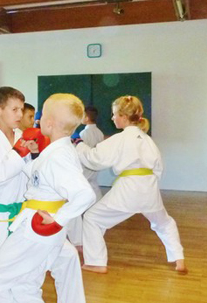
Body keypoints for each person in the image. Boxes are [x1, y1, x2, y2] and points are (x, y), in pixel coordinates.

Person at [0, 94, 96, 303]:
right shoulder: (57, 150)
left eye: (42, 114)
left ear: (50, 123)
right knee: (25, 286)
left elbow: (85, 194)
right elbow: (39, 175)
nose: (37, 118)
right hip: (41, 228)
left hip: (37, 227)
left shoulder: (59, 157)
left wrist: (58, 219)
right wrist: (32, 154)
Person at [76, 95, 186, 274]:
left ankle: (96, 262)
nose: (112, 118)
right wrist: (148, 186)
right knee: (164, 222)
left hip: (128, 188)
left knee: (92, 218)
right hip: (149, 188)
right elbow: (159, 168)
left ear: (124, 116)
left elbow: (95, 159)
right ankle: (178, 258)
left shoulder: (121, 138)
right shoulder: (147, 140)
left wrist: (79, 145)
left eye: (114, 114)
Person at [68, 105, 105, 247]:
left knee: (79, 200)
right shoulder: (99, 133)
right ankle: (96, 228)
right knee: (95, 196)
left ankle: (81, 235)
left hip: (84, 169)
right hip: (94, 169)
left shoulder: (83, 133)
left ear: (87, 118)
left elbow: (79, 151)